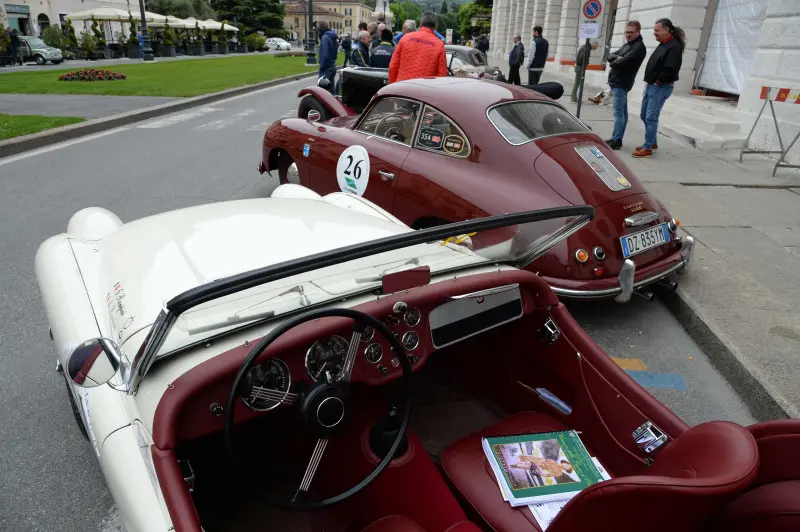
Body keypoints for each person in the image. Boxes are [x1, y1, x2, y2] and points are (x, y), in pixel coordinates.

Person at [633, 17, 684, 158]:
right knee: (644, 115)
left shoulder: (674, 47)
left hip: (660, 87)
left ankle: (648, 147)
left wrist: (659, 82)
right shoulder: (663, 43)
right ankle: (652, 142)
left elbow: (671, 69)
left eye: (657, 30)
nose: (654, 33)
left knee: (651, 118)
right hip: (651, 86)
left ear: (666, 30)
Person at [604, 20, 646, 150]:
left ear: (638, 32)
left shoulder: (638, 47)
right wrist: (616, 58)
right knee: (622, 112)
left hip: (621, 83)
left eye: (631, 32)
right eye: (626, 32)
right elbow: (610, 55)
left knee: (618, 113)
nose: (628, 35)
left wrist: (616, 60)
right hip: (618, 82)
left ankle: (616, 140)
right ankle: (617, 138)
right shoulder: (628, 45)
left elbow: (621, 63)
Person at [388, 12, 447, 83]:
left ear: (420, 23)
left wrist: (392, 86)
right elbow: (441, 75)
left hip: (401, 87)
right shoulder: (439, 45)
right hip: (424, 90)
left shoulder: (405, 38)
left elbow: (393, 67)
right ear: (435, 26)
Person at [316, 21, 338, 95]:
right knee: (332, 91)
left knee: (321, 91)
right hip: (332, 65)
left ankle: (321, 106)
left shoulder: (324, 38)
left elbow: (325, 53)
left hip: (326, 67)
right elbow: (335, 51)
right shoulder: (332, 37)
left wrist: (322, 65)